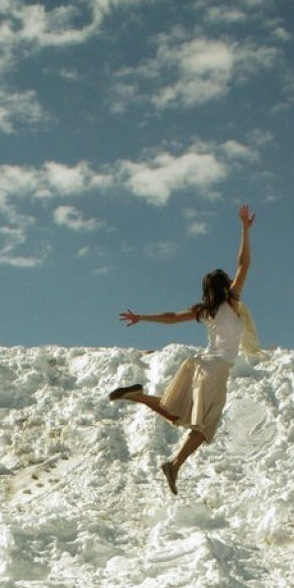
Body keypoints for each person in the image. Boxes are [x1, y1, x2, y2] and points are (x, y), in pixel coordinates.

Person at [110, 204, 259, 494]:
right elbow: (244, 265)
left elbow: (171, 318)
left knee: (172, 411)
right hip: (215, 370)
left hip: (200, 365)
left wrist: (142, 317)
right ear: (226, 287)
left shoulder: (205, 310)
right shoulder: (231, 303)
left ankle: (135, 396)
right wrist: (244, 229)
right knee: (204, 427)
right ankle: (175, 465)